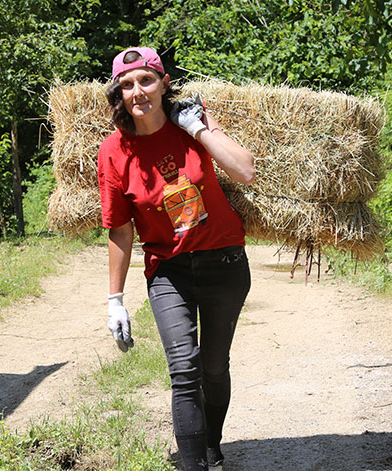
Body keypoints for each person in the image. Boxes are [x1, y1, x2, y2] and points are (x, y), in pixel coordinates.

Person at [97, 46, 255, 471]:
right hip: (169, 271)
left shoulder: (193, 123)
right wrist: (115, 299)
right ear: (119, 94)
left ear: (163, 82)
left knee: (213, 367)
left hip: (224, 263)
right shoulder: (114, 151)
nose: (137, 91)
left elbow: (245, 170)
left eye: (146, 80)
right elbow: (120, 228)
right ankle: (195, 465)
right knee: (184, 369)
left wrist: (200, 130)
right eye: (126, 85)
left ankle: (212, 445)